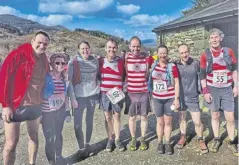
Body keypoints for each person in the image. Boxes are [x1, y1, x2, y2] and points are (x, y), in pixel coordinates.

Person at [0, 31, 50, 165]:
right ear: (32, 41)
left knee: (33, 137)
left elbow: (46, 79)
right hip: (16, 105)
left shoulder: (45, 58)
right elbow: (4, 78)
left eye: (45, 44)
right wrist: (5, 105)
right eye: (39, 42)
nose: (42, 46)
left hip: (35, 105)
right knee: (11, 143)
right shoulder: (18, 54)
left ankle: (31, 163)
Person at [199, 28, 238, 156]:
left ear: (221, 38)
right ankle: (216, 139)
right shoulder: (205, 55)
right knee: (215, 115)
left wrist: (236, 86)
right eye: (211, 37)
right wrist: (205, 92)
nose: (214, 39)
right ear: (209, 40)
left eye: (216, 37)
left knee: (230, 117)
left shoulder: (228, 52)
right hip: (212, 89)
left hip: (227, 88)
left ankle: (232, 142)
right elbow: (202, 75)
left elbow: (234, 70)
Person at [41, 53, 77, 165]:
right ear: (51, 63)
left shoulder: (64, 78)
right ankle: (52, 161)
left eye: (63, 63)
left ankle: (59, 156)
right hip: (47, 112)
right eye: (57, 62)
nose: (60, 65)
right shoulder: (46, 77)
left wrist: (67, 111)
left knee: (58, 134)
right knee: (49, 138)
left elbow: (65, 95)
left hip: (59, 111)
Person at [68, 41, 100, 158]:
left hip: (91, 95)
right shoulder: (73, 62)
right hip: (79, 97)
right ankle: (81, 148)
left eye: (87, 48)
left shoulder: (95, 61)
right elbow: (69, 82)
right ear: (78, 50)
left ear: (90, 49)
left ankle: (87, 144)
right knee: (77, 124)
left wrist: (99, 90)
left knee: (89, 121)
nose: (85, 51)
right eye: (82, 49)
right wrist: (72, 98)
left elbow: (98, 76)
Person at [175, 44, 208, 154]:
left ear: (189, 52)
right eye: (182, 53)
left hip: (193, 96)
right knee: (182, 118)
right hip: (181, 98)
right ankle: (183, 136)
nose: (184, 54)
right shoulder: (175, 65)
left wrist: (205, 91)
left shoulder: (195, 63)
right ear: (179, 54)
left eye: (186, 52)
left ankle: (200, 139)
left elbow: (203, 75)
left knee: (197, 121)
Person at [148, 45, 180, 155]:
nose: (162, 55)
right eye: (160, 53)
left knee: (168, 121)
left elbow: (176, 83)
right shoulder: (153, 66)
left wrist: (176, 98)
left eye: (164, 53)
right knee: (160, 122)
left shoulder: (172, 67)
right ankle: (159, 143)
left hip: (169, 98)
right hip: (157, 98)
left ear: (167, 53)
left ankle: (167, 143)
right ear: (157, 53)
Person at [125, 36, 153, 151]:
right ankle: (133, 138)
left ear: (140, 47)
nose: (136, 48)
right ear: (129, 46)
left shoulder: (146, 59)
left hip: (144, 92)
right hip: (131, 93)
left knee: (144, 117)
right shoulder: (125, 59)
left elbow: (160, 61)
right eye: (133, 46)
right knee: (132, 118)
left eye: (138, 46)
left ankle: (142, 138)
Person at [99, 39, 126, 152]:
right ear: (105, 48)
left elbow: (125, 76)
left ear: (117, 48)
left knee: (116, 116)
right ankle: (110, 138)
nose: (112, 49)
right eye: (109, 47)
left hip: (116, 92)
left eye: (114, 47)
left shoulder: (121, 61)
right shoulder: (100, 61)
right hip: (105, 93)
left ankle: (117, 139)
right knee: (108, 117)